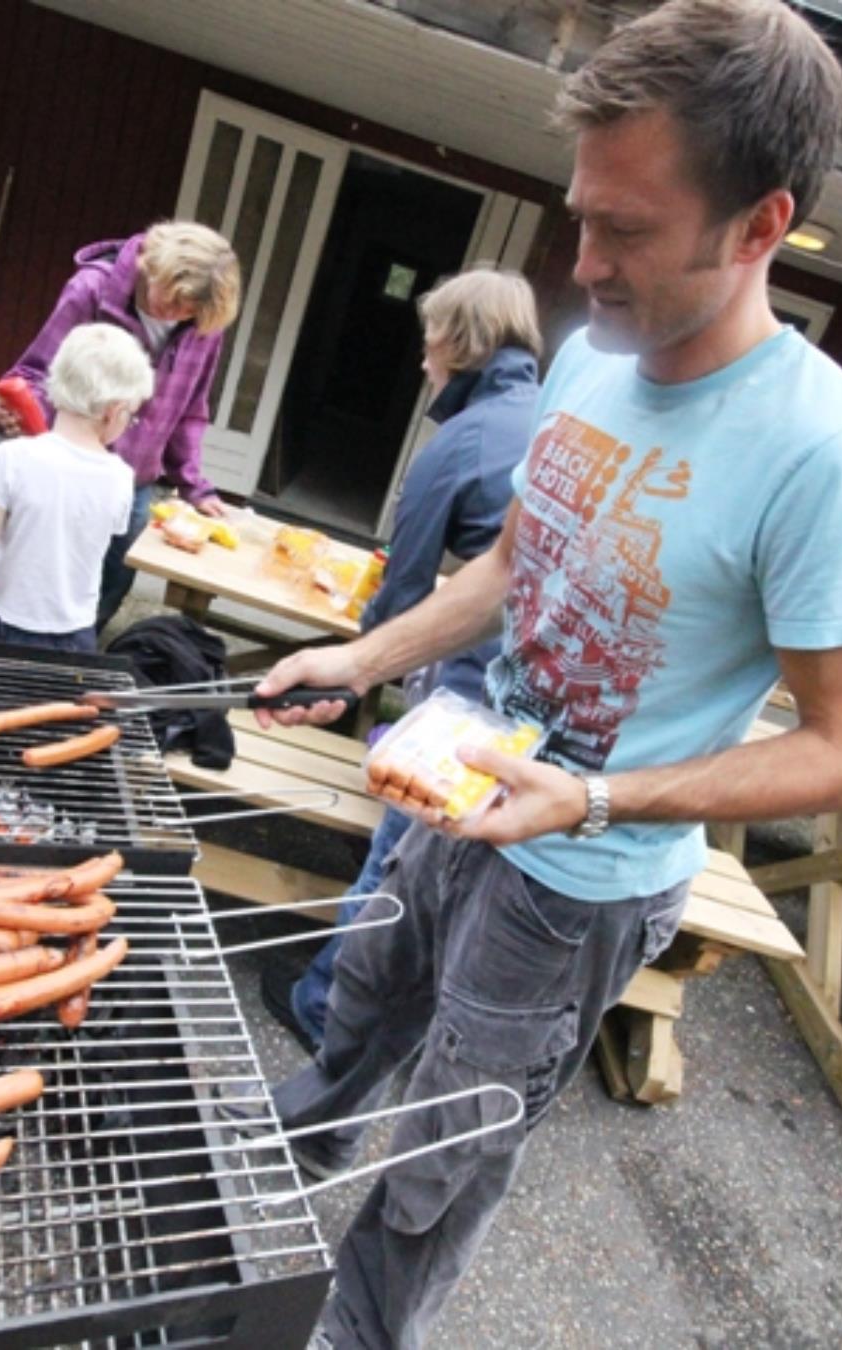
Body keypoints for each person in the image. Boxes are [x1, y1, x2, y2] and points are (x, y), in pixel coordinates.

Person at [255, 3, 842, 1346]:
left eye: (630, 231)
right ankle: (261, 1202)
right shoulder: (588, 359)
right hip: (454, 790)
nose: (587, 262)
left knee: (443, 1152)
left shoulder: (832, 449)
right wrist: (364, 655)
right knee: (357, 1020)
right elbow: (517, 562)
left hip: (578, 885)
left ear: (759, 226)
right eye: (581, 217)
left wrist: (592, 798)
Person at [263, 266, 545, 1053]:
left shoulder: (461, 440)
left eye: (428, 344)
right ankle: (397, 1014)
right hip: (546, 685)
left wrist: (352, 665)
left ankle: (328, 1013)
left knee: (399, 846)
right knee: (455, 857)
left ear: (458, 342)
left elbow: (404, 587)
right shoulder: (555, 417)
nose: (422, 362)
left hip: (477, 677)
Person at [0, 222, 240, 630]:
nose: (177, 314)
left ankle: (78, 653)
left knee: (111, 580)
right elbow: (34, 373)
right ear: (152, 266)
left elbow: (191, 408)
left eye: (189, 311)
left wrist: (193, 484)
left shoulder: (203, 326)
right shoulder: (92, 289)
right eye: (173, 301)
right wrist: (23, 411)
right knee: (37, 570)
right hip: (66, 468)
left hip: (133, 482)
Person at [0, 324, 154, 653]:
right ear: (114, 411)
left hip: (6, 624)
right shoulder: (121, 479)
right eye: (131, 417)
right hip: (76, 635)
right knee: (57, 707)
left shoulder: (11, 458)